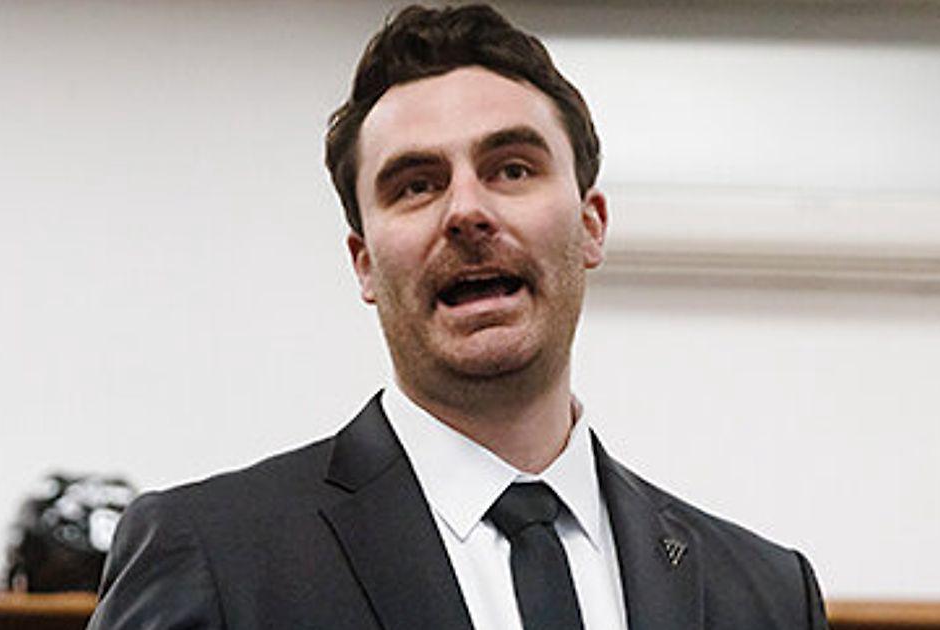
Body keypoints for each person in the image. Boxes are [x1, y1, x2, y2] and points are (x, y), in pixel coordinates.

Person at [88, 5, 829, 629]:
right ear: (364, 263)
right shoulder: (213, 557)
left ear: (591, 224)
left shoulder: (765, 596)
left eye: (512, 169)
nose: (467, 211)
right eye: (416, 184)